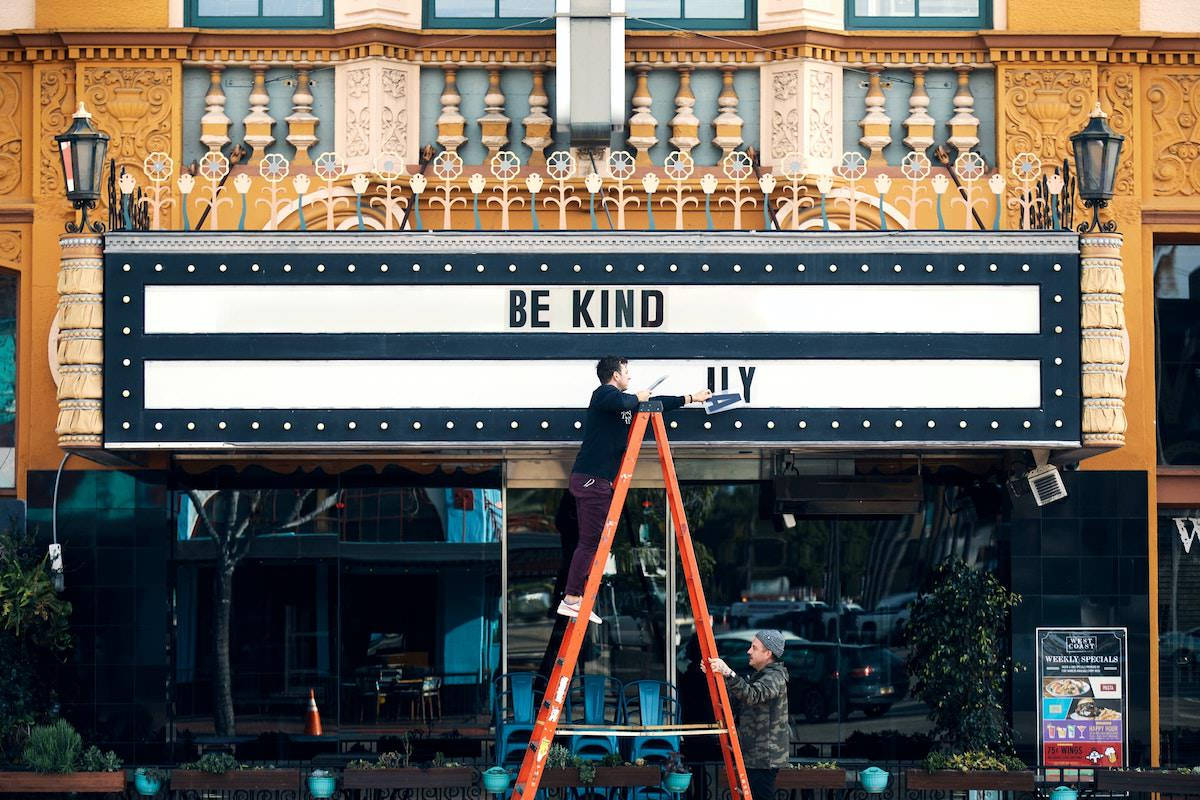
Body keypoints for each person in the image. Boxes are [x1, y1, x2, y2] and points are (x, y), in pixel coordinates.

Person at [558, 356, 712, 621]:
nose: (629, 376)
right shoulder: (604, 394)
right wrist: (638, 396)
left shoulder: (624, 402)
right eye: (626, 371)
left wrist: (691, 398)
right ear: (615, 375)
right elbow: (625, 400)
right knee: (590, 542)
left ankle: (573, 597)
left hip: (594, 480)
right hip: (591, 479)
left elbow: (657, 403)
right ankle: (572, 598)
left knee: (594, 541)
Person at [705, 630, 791, 800]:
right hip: (757, 755)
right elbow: (740, 698)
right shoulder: (763, 676)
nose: (748, 651)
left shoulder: (774, 677)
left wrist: (728, 673)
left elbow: (753, 695)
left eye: (754, 647)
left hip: (764, 757)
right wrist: (717, 676)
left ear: (768, 653)